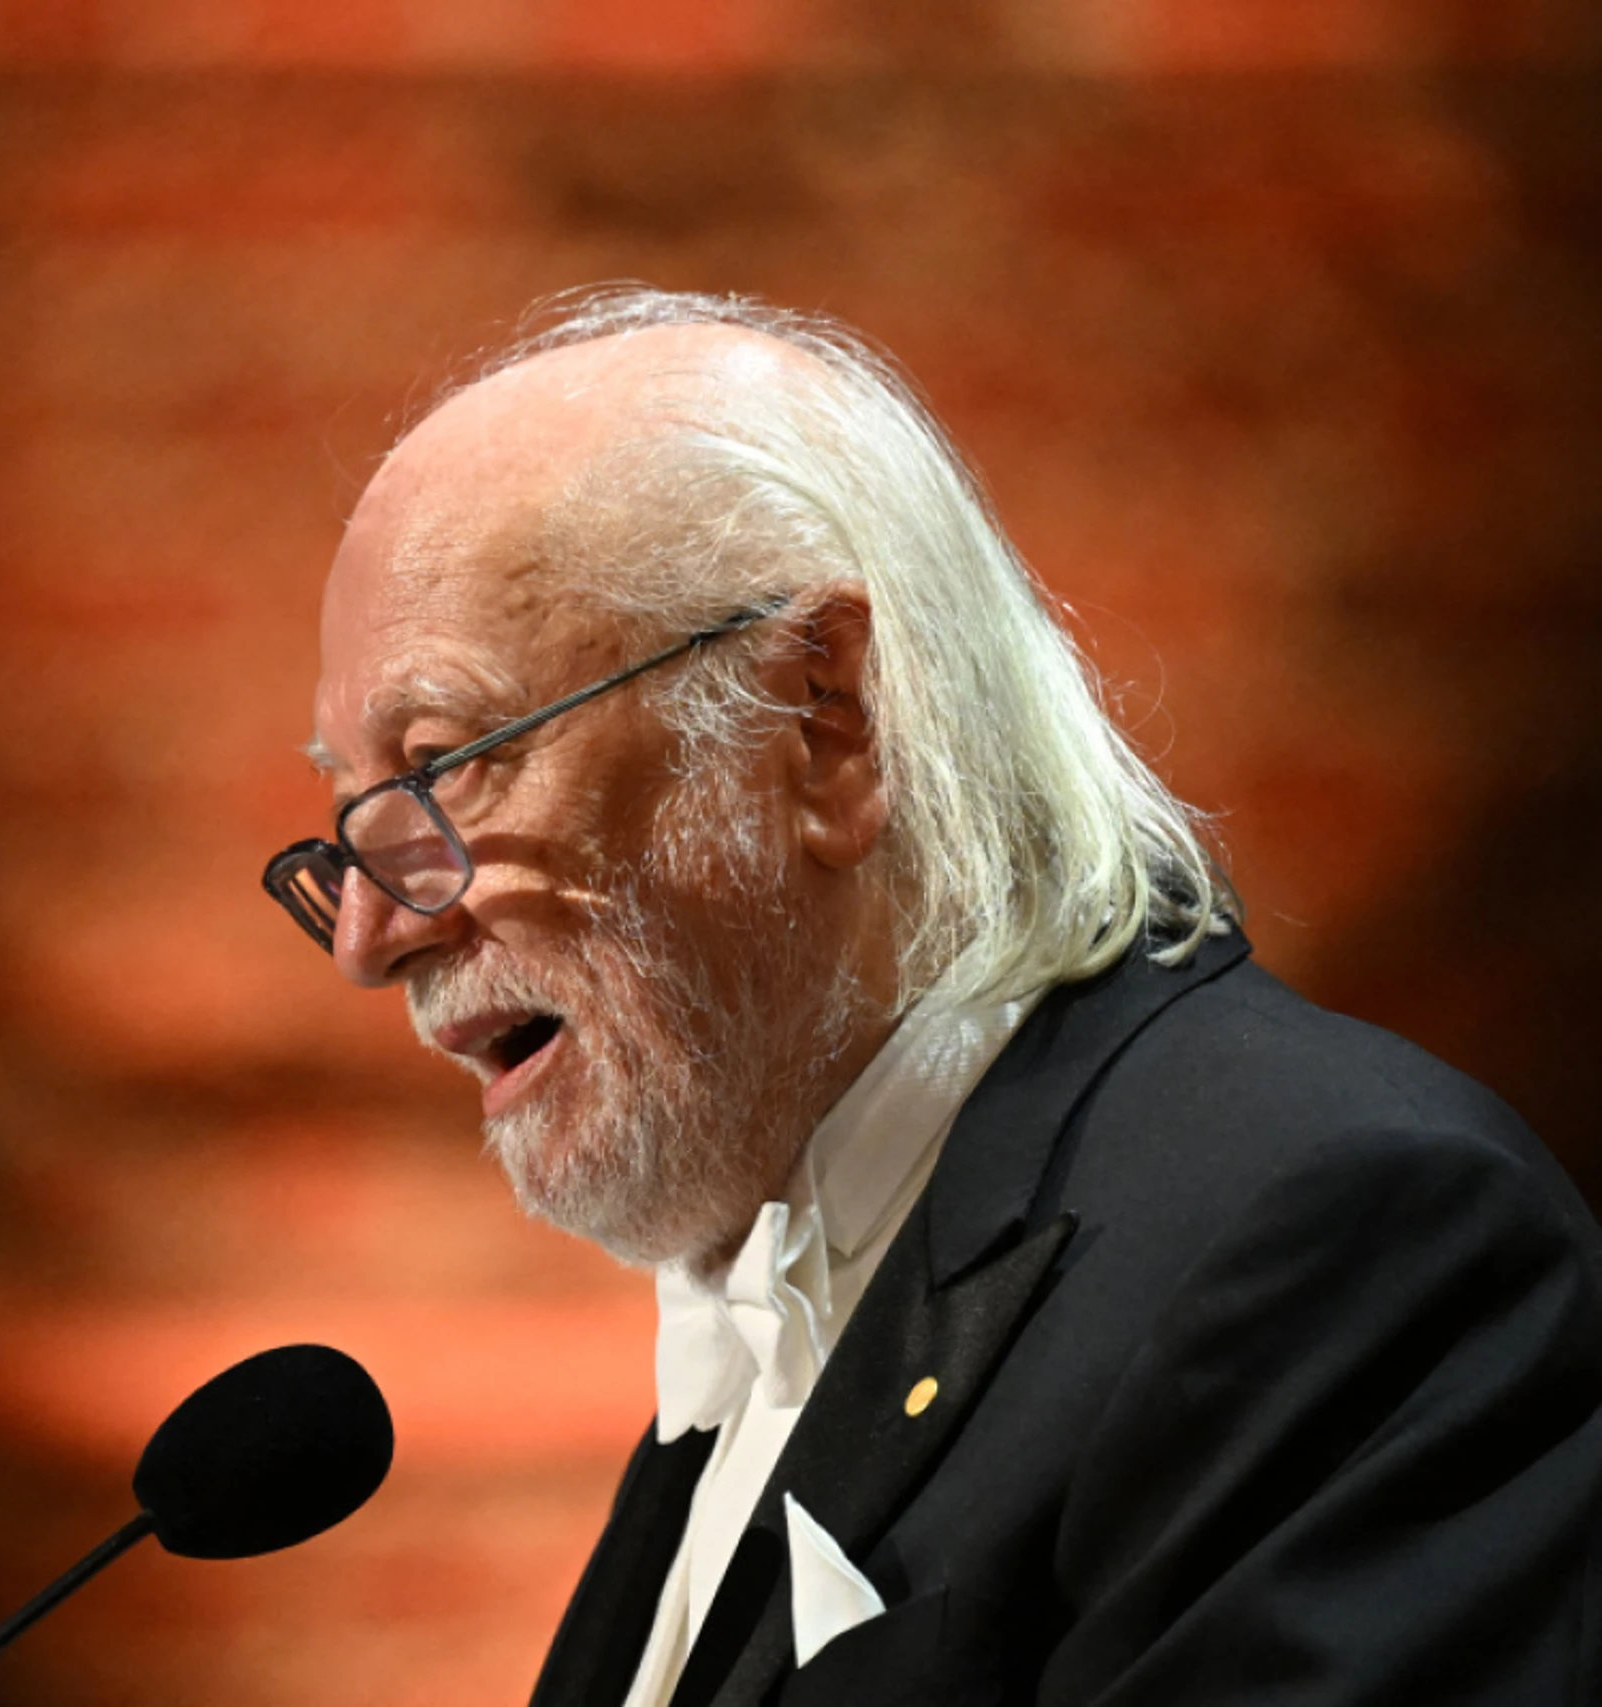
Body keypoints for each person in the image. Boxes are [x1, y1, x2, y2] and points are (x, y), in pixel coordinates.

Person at [262, 289, 1602, 1706]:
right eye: (351, 813)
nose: (367, 936)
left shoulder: (1342, 1244)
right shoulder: (774, 1286)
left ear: (820, 717)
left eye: (445, 765)